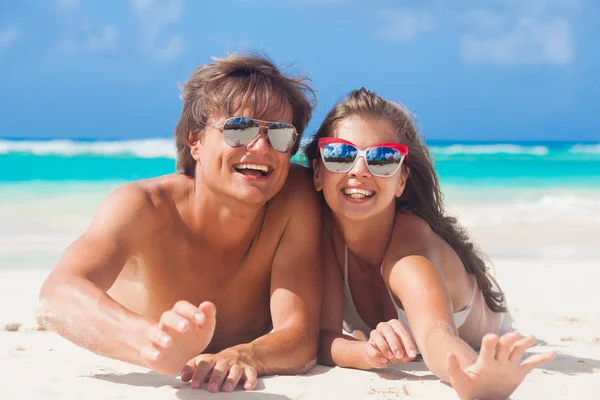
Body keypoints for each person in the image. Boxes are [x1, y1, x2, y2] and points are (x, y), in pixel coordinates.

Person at [36, 53, 323, 393]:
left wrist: (243, 356)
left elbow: (300, 337)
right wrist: (153, 343)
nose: (260, 146)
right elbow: (58, 295)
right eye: (239, 129)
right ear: (195, 141)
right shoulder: (145, 207)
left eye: (279, 134)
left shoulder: (295, 199)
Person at [305, 88, 556, 400]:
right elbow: (323, 337)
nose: (359, 171)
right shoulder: (323, 237)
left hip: (485, 327)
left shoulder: (409, 251)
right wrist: (365, 352)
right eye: (340, 155)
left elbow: (435, 334)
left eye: (383, 158)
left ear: (401, 180)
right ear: (318, 172)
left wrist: (470, 374)